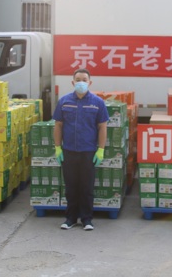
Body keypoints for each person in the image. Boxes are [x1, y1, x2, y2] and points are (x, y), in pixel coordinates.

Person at [53, 68, 109, 231]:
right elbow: (58, 125)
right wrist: (58, 147)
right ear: (73, 82)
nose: (81, 83)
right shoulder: (64, 101)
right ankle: (70, 218)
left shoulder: (97, 103)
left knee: (86, 187)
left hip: (88, 152)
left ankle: (87, 219)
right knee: (71, 187)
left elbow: (102, 127)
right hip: (69, 151)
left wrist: (101, 150)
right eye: (78, 80)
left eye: (84, 80)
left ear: (90, 82)